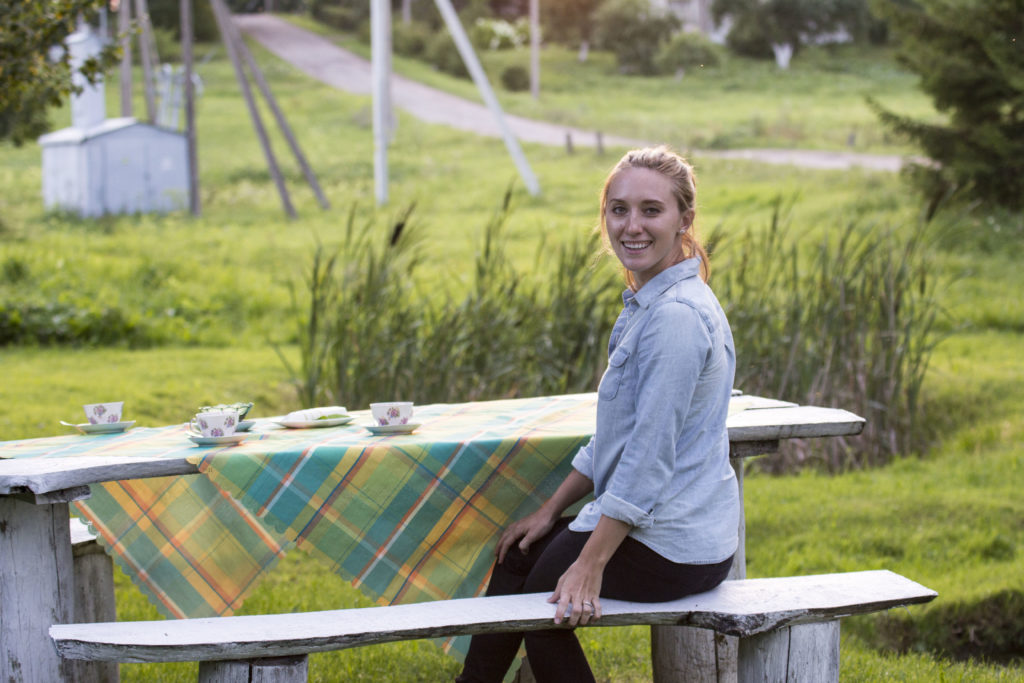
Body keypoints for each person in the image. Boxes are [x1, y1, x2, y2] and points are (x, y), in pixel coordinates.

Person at [455, 146, 740, 683]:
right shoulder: (650, 304)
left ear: (685, 220)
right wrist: (550, 511)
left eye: (651, 210)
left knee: (545, 604)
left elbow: (648, 460)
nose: (631, 226)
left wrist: (589, 564)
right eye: (618, 209)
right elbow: (616, 439)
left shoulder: (675, 319)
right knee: (522, 554)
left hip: (674, 543)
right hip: (668, 526)